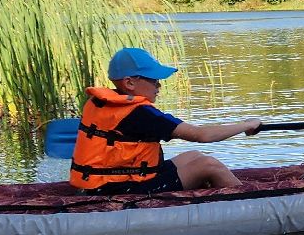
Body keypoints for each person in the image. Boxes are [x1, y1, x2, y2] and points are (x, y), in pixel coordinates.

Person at [69, 47, 259, 193]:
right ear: (129, 82)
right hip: (117, 188)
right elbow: (202, 135)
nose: (158, 85)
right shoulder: (139, 114)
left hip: (103, 182)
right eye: (153, 80)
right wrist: (246, 125)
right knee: (208, 164)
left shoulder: (101, 102)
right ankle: (250, 204)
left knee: (192, 155)